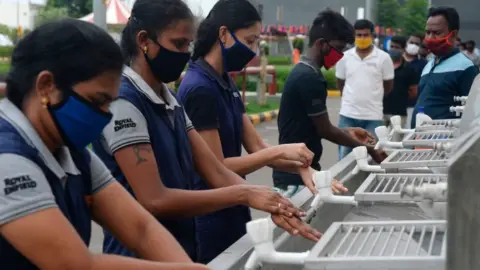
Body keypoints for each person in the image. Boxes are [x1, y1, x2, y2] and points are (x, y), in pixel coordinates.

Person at [92, 0, 319, 264]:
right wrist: (246, 193)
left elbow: (216, 171)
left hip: (179, 250)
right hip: (137, 257)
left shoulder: (170, 100)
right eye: (178, 44)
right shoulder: (126, 103)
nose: (186, 53)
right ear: (144, 40)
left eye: (188, 44)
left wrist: (273, 202)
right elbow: (154, 199)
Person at [0, 19, 208, 270]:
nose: (104, 116)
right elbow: (74, 265)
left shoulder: (71, 153)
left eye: (108, 103)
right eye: (96, 101)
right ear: (46, 86)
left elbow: (141, 228)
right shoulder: (8, 159)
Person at [177, 0, 343, 263]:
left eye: (256, 42)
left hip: (235, 206)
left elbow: (256, 148)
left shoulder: (224, 81)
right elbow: (218, 166)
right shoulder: (200, 88)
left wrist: (304, 169)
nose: (253, 49)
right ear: (223, 34)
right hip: (210, 214)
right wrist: (279, 152)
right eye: (250, 40)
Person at [259, 10, 386, 194]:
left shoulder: (304, 71)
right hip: (296, 176)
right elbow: (324, 130)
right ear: (321, 44)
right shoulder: (309, 77)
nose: (340, 55)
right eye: (338, 49)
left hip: (300, 170)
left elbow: (315, 126)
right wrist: (369, 149)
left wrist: (348, 132)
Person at [336, 19, 394, 159]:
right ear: (354, 36)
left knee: (371, 158)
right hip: (348, 116)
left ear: (372, 36)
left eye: (365, 35)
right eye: (359, 35)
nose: (362, 38)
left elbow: (388, 86)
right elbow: (340, 83)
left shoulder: (384, 58)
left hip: (372, 117)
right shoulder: (344, 57)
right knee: (344, 158)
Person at [412, 6, 479, 127]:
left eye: (437, 33)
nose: (431, 38)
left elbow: (474, 114)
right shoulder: (429, 64)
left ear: (453, 35)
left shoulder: (465, 68)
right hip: (418, 140)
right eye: (428, 32)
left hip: (445, 142)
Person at [384, 36, 419, 128]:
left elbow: (413, 92)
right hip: (380, 111)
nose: (393, 49)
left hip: (399, 113)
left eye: (397, 47)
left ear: (403, 49)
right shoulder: (382, 65)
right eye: (392, 47)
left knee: (396, 141)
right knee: (376, 140)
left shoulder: (409, 69)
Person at [403, 34, 428, 128]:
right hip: (393, 107)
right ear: (406, 43)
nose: (413, 45)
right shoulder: (396, 61)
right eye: (411, 42)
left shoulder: (424, 64)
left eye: (417, 44)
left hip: (412, 106)